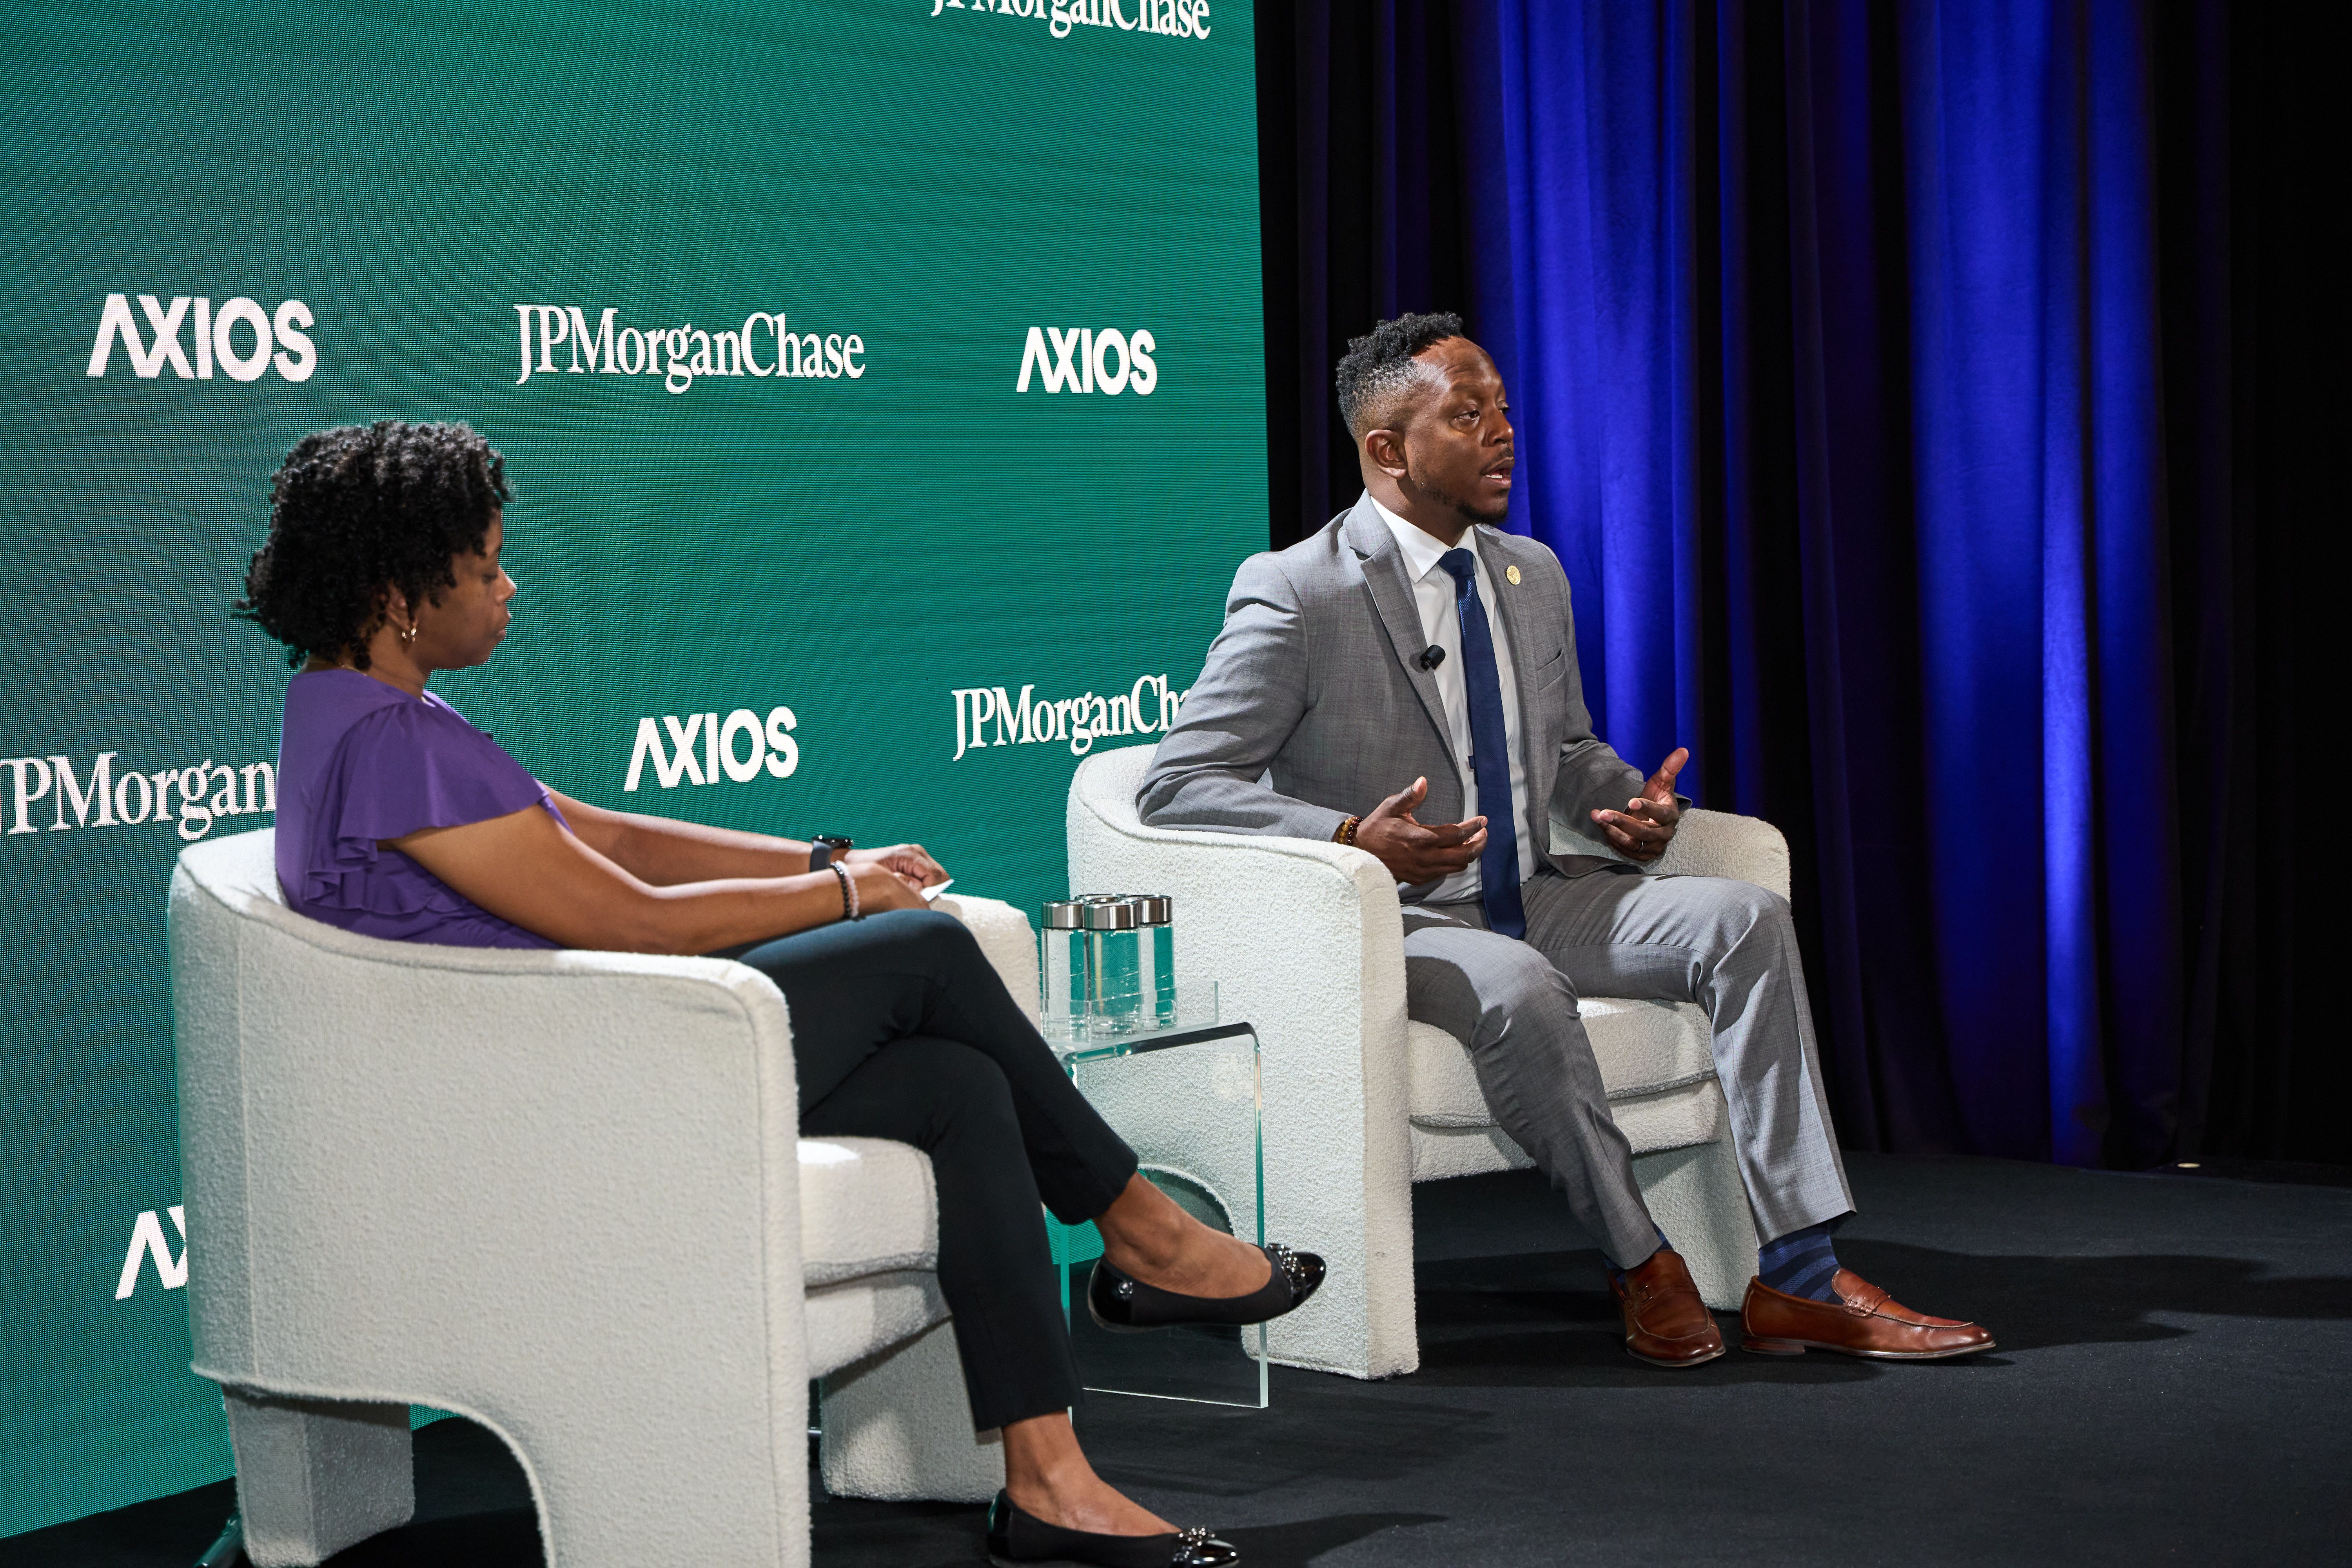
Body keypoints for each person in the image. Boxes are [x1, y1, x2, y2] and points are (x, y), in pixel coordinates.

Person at [236, 419, 1325, 1568]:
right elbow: (633, 918)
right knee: (928, 950)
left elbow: (608, 837)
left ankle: (1051, 1480)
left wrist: (816, 858)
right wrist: (848, 895)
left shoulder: (357, 711)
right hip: (584, 1084)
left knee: (957, 1088)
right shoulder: (393, 742)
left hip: (581, 1052)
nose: (511, 589)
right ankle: (1143, 1229)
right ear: (402, 592)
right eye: (488, 566)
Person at [1138, 314, 1990, 1367]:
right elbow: (1180, 785)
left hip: (1538, 890)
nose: (1504, 432)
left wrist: (1625, 805)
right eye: (1468, 415)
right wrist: (1352, 835)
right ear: (1388, 448)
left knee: (1746, 919)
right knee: (1522, 985)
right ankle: (1643, 1260)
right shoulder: (1301, 591)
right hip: (1397, 920)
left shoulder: (1530, 574)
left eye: (1502, 408)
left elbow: (1570, 749)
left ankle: (1799, 1275)